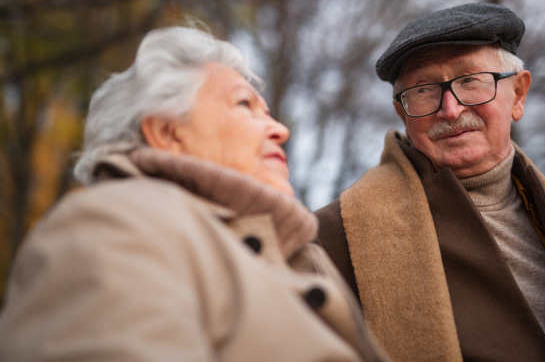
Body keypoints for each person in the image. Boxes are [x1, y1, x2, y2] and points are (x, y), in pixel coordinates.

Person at [0, 25, 389, 362]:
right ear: (167, 133)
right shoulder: (112, 221)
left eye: (268, 112)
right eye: (245, 105)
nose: (280, 130)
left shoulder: (301, 254)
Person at [316, 3, 545, 362]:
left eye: (469, 81)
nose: (450, 109)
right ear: (402, 113)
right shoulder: (335, 236)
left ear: (518, 94)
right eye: (423, 90)